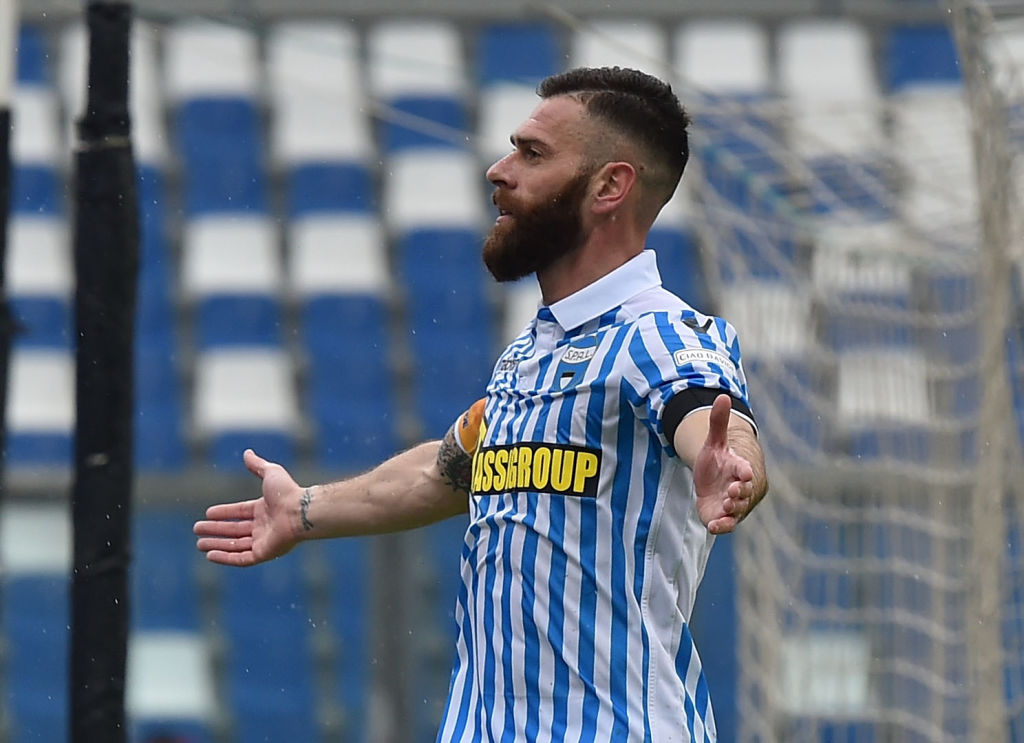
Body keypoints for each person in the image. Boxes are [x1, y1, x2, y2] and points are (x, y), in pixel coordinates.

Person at [195, 66, 768, 742]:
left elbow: (713, 422)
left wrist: (729, 465)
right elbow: (445, 472)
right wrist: (304, 509)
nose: (499, 170)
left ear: (611, 186)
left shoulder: (662, 335)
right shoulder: (532, 352)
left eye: (532, 154)